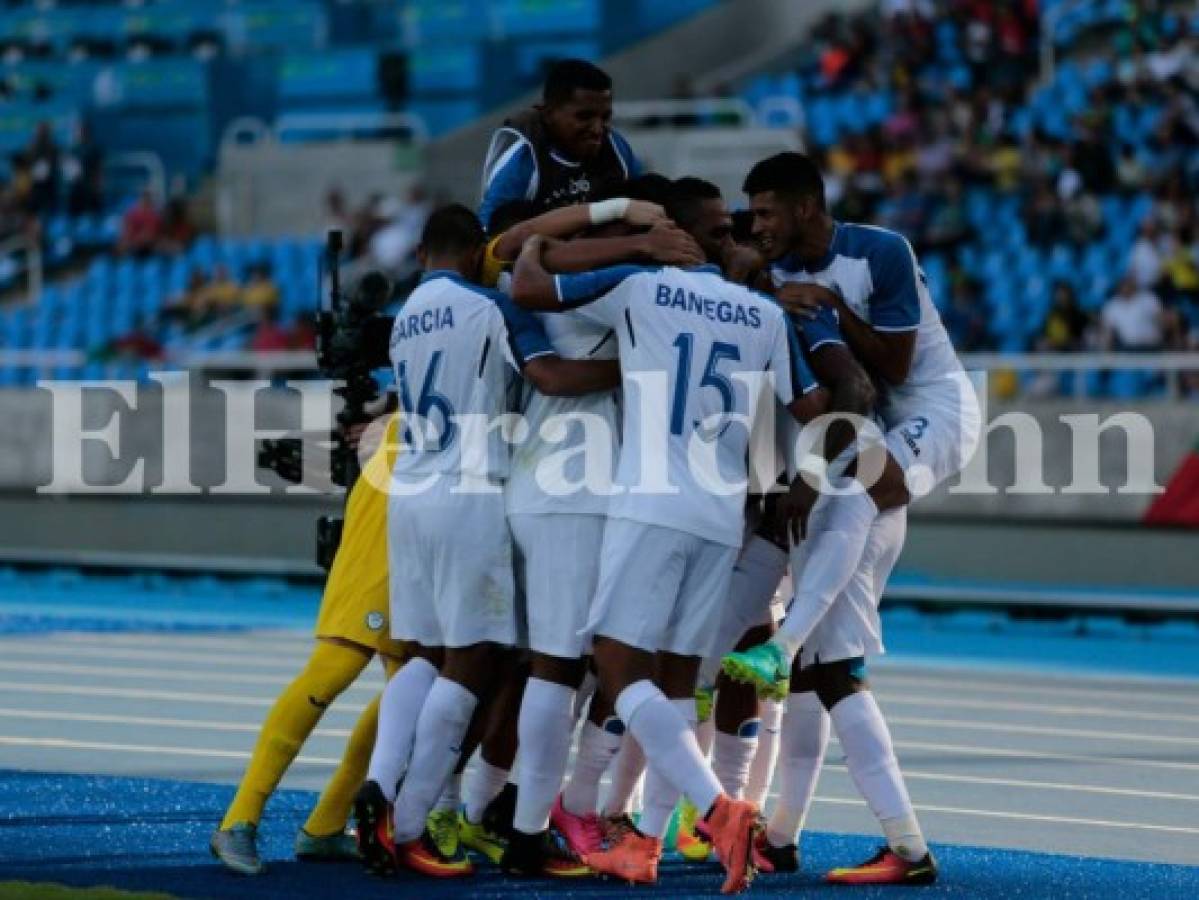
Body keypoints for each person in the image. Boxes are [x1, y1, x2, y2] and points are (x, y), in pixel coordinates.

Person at [511, 215, 828, 892]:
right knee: (680, 682)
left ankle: (716, 808)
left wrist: (537, 244)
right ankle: (645, 845)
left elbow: (532, 287)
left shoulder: (645, 286)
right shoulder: (762, 315)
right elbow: (814, 400)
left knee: (617, 663)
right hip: (719, 516)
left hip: (650, 503)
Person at [722, 150, 982, 885]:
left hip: (930, 412)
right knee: (823, 672)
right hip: (852, 441)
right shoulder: (772, 277)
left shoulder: (878, 252)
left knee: (831, 652)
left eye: (768, 213)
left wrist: (831, 307)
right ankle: (781, 834)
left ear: (806, 207)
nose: (758, 227)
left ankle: (906, 849)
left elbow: (892, 372)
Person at [354, 204, 622, 879]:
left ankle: (379, 787)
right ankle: (409, 824)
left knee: (420, 655)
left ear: (421, 254)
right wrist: (636, 374)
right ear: (480, 251)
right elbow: (550, 376)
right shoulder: (489, 305)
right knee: (473, 664)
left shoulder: (408, 315)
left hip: (407, 491)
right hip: (468, 490)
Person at [210, 416, 410, 875]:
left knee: (413, 684)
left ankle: (326, 824)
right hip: (407, 477)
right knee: (337, 664)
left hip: (453, 485)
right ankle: (239, 819)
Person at [479, 59, 640, 228]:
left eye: (605, 117)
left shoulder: (616, 147)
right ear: (548, 114)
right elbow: (490, 235)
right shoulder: (523, 153)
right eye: (584, 117)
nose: (598, 129)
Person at [1100, 276, 1164, 351]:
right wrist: (1107, 353)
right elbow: (1108, 332)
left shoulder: (1148, 298)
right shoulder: (1112, 306)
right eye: (1124, 285)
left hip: (1151, 345)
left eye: (1129, 285)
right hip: (1128, 347)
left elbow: (1161, 319)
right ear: (1119, 287)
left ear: (1134, 285)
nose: (1126, 288)